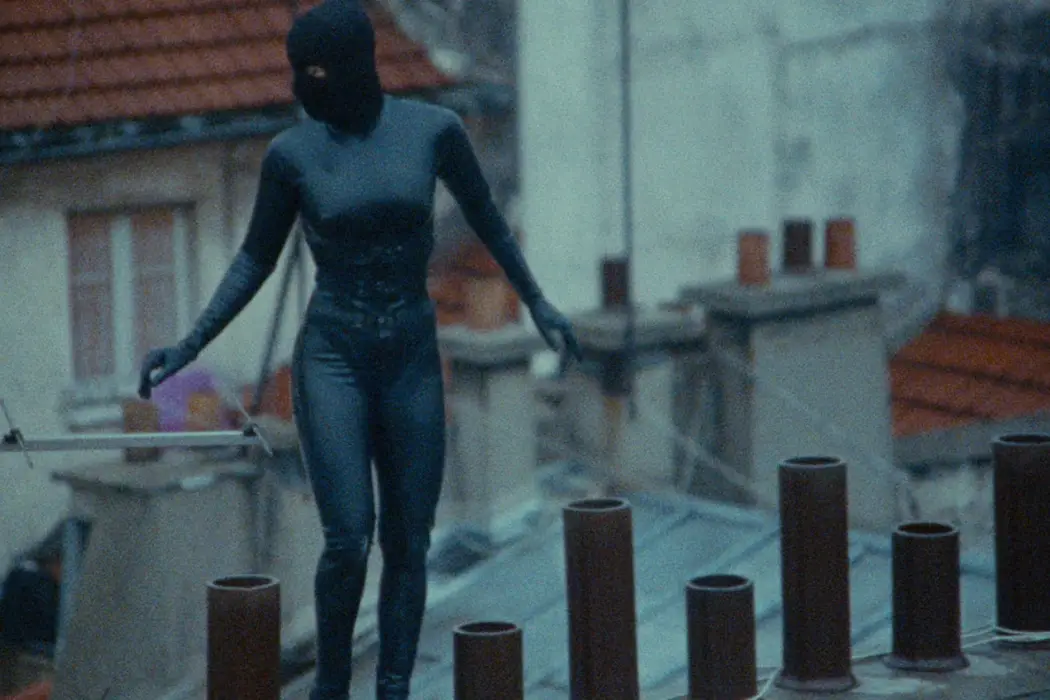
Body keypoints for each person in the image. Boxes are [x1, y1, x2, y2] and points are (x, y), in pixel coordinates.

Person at [136, 1, 581, 698]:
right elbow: (254, 260)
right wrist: (189, 343)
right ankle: (333, 687)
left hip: (411, 355)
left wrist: (541, 303)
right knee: (348, 538)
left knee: (409, 542)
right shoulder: (292, 155)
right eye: (296, 72)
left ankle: (393, 688)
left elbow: (491, 223)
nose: (300, 87)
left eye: (313, 72)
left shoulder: (433, 131)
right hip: (333, 356)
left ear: (354, 66)